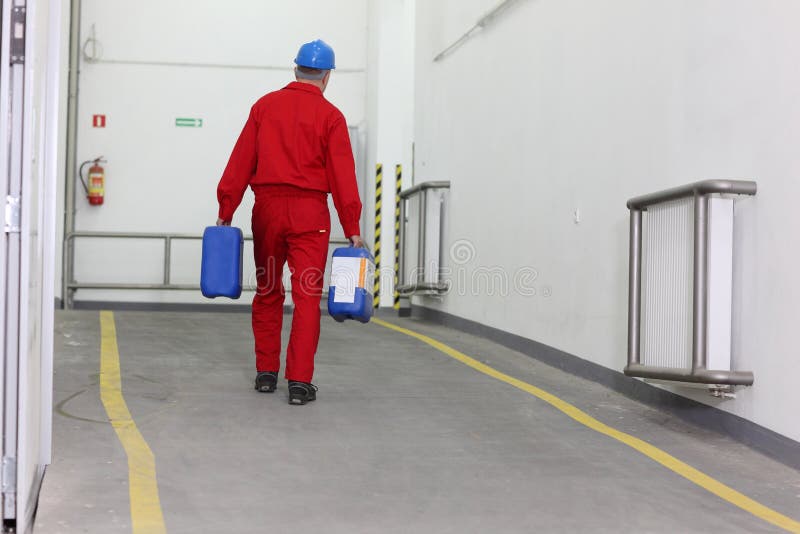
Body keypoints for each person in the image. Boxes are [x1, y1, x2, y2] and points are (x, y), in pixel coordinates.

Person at [216, 39, 363, 405]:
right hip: (309, 215)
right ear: (327, 76)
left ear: (295, 69)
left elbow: (240, 161)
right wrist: (353, 227)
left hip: (266, 211)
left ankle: (266, 373)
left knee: (267, 289)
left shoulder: (264, 107)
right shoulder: (332, 117)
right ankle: (299, 382)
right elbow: (343, 177)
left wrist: (226, 208)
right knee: (307, 296)